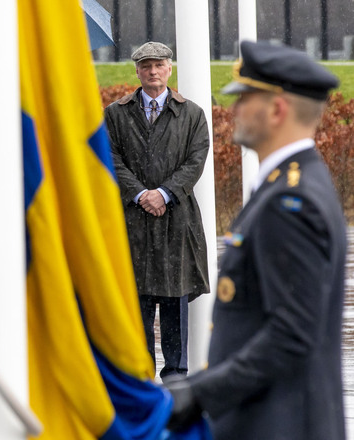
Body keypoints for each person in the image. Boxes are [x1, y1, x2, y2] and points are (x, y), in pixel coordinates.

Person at [165, 41, 346, 440]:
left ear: (277, 109)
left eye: (245, 98)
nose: (234, 110)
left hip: (278, 425)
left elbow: (292, 334)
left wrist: (198, 393)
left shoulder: (289, 201)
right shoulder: (291, 187)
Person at [104, 42, 210, 382]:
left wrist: (165, 194)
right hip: (132, 221)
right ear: (136, 70)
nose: (153, 71)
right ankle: (140, 376)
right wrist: (140, 195)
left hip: (176, 220)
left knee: (175, 298)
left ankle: (176, 377)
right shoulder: (116, 114)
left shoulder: (191, 114)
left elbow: (196, 160)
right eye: (146, 65)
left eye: (159, 65)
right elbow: (110, 158)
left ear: (169, 69)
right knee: (137, 302)